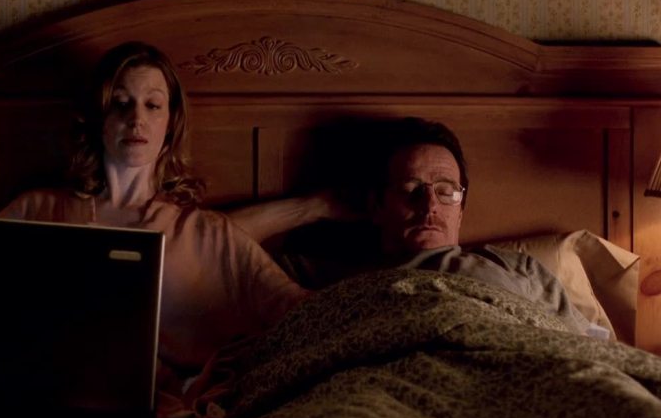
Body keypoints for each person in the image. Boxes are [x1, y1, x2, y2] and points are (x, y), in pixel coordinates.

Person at [0, 41, 308, 418]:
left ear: (171, 122)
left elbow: (305, 311)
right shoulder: (35, 208)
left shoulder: (207, 234)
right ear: (98, 116)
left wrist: (316, 207)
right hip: (3, 396)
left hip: (109, 416)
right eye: (121, 102)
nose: (136, 119)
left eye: (152, 104)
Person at [228, 117, 597, 337]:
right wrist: (313, 207)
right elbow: (211, 241)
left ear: (461, 210)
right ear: (377, 205)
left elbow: (588, 349)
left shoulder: (517, 268)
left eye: (446, 191)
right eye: (411, 189)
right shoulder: (322, 273)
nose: (430, 205)